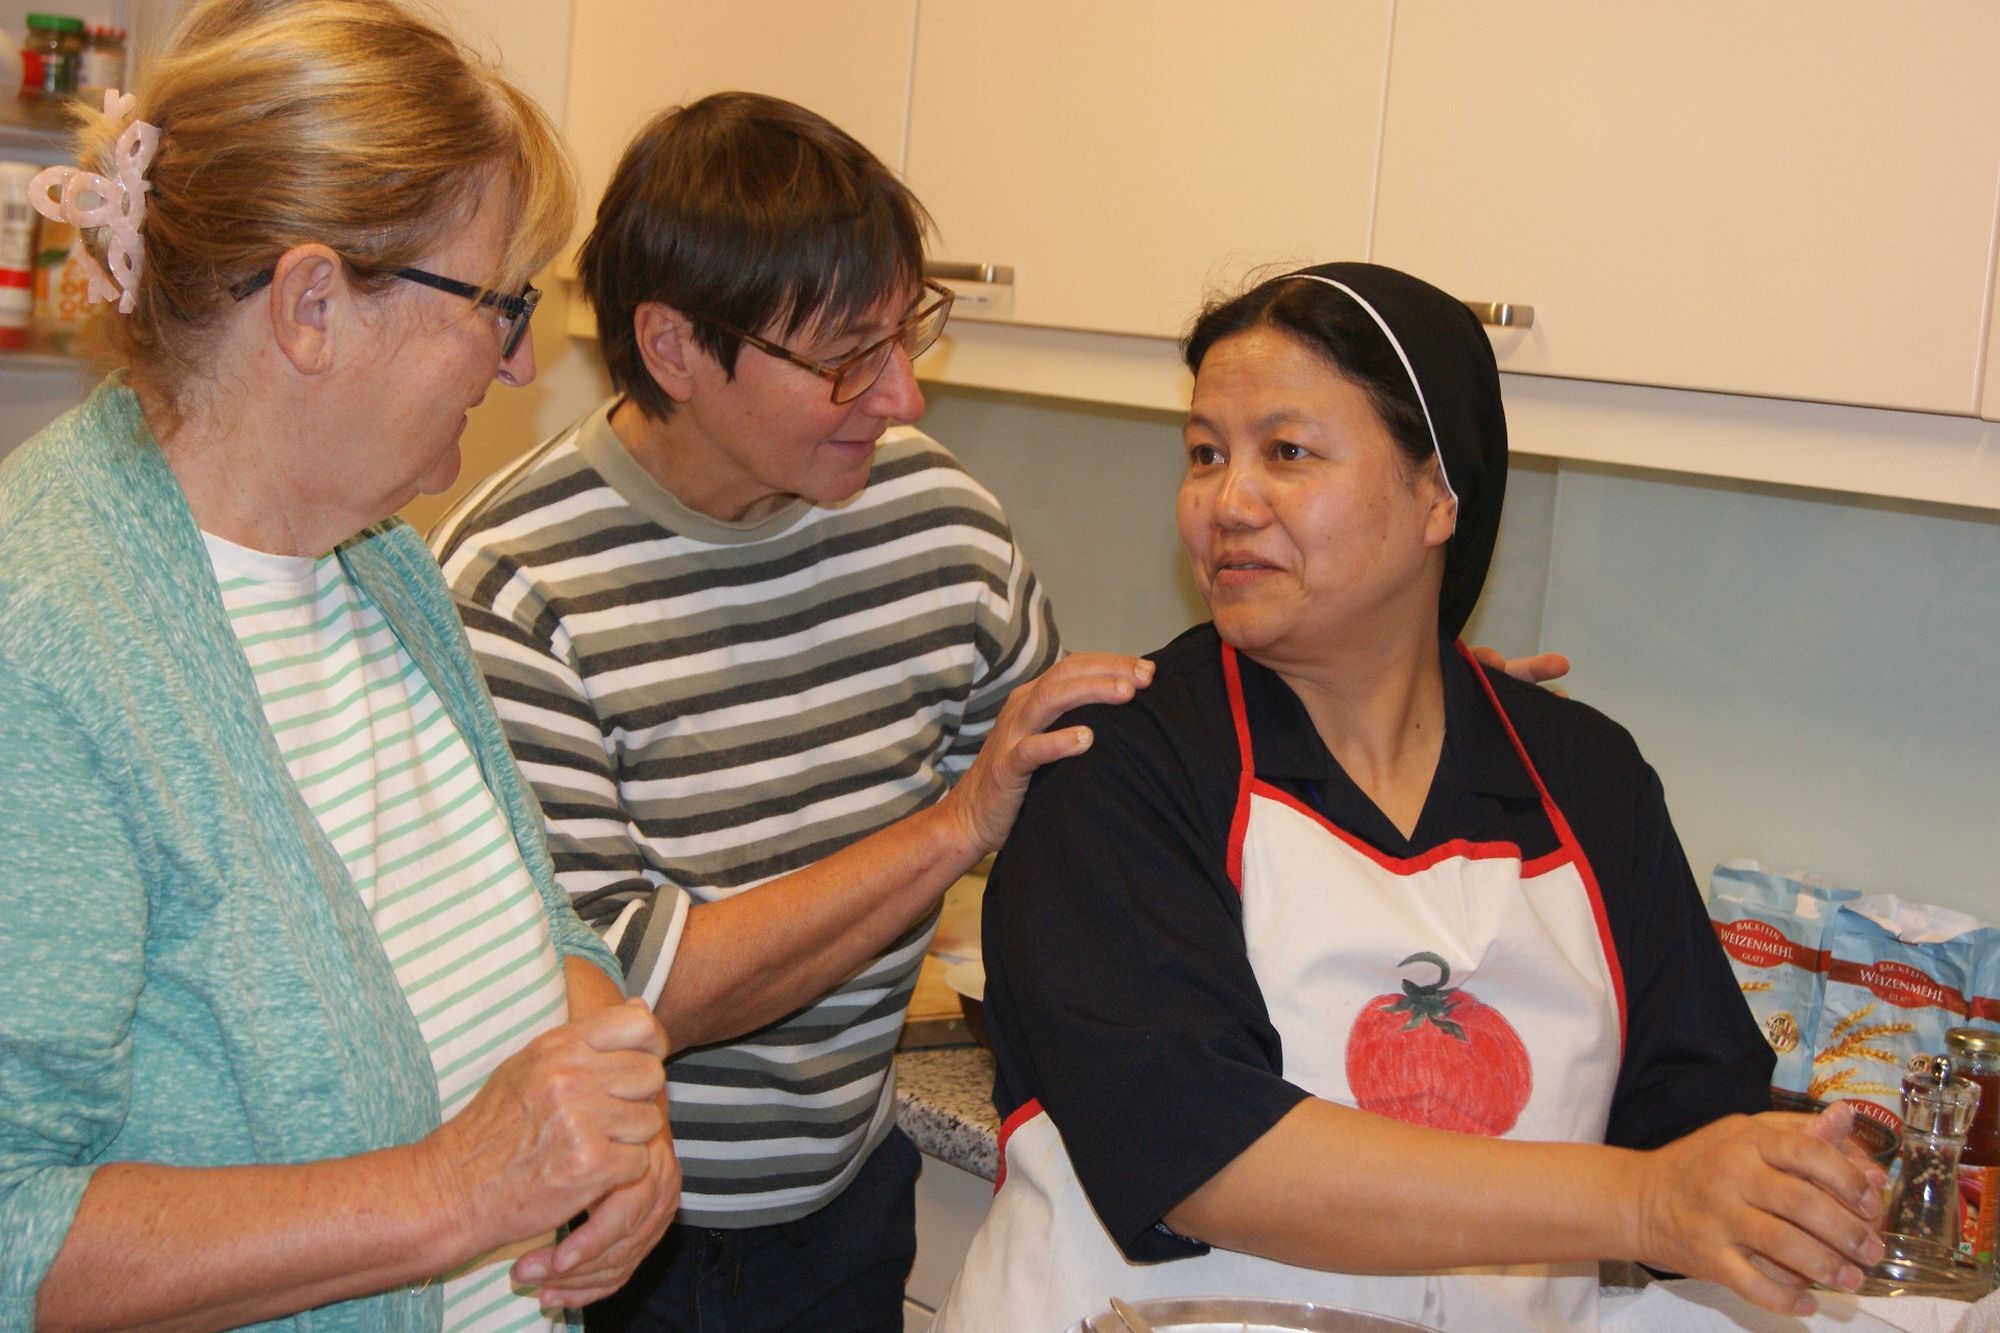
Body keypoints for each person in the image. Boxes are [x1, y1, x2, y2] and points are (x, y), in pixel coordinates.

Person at [933, 263, 1890, 1332]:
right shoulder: (1117, 760)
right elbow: (1203, 1154)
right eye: (1205, 453)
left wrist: (1782, 1190)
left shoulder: (1581, 779)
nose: (1225, 503)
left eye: (1285, 453)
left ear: (1437, 493)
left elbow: (1686, 1116)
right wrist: (1646, 1203)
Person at [0, 2, 683, 1327]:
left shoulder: (382, 565)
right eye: (497, 304)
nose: (524, 359)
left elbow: (529, 921)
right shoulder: (46, 645)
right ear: (312, 304)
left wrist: (610, 1117)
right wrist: (444, 1194)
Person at [428, 92, 1153, 1332]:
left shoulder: (937, 520)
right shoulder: (512, 584)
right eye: (843, 359)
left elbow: (1078, 783)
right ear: (670, 347)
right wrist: (949, 826)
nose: (900, 398)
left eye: (907, 334)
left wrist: (1358, 696)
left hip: (843, 1204)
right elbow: (639, 990)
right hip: (607, 1240)